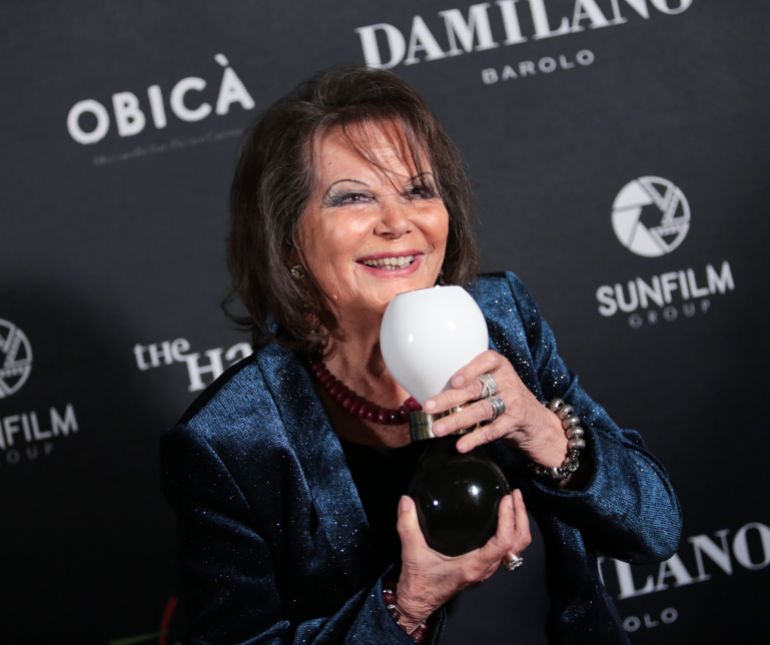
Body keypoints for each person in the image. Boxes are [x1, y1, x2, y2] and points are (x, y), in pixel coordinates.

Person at [160, 66, 681, 644]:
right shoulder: (230, 439)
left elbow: (655, 529)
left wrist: (546, 432)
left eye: (418, 191)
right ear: (287, 242)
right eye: (354, 198)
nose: (397, 222)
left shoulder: (503, 317)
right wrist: (406, 605)